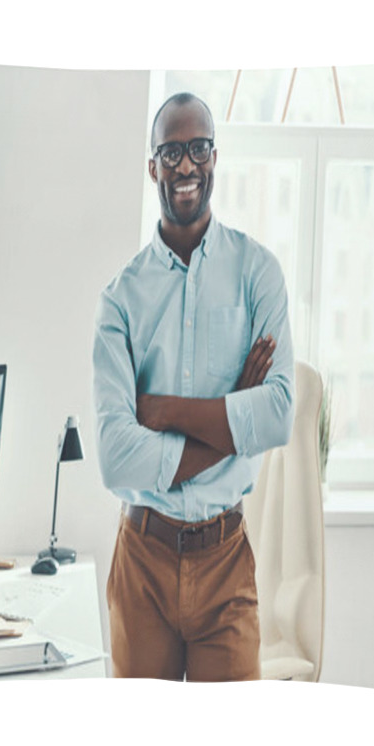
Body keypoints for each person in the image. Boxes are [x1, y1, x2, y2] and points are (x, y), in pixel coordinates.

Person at [92, 92, 294, 681]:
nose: (186, 166)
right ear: (153, 165)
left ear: (214, 156)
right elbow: (115, 459)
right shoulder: (120, 299)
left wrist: (162, 410)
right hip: (142, 566)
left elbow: (279, 412)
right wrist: (234, 416)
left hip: (226, 559)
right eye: (171, 152)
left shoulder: (259, 272)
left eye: (198, 149)